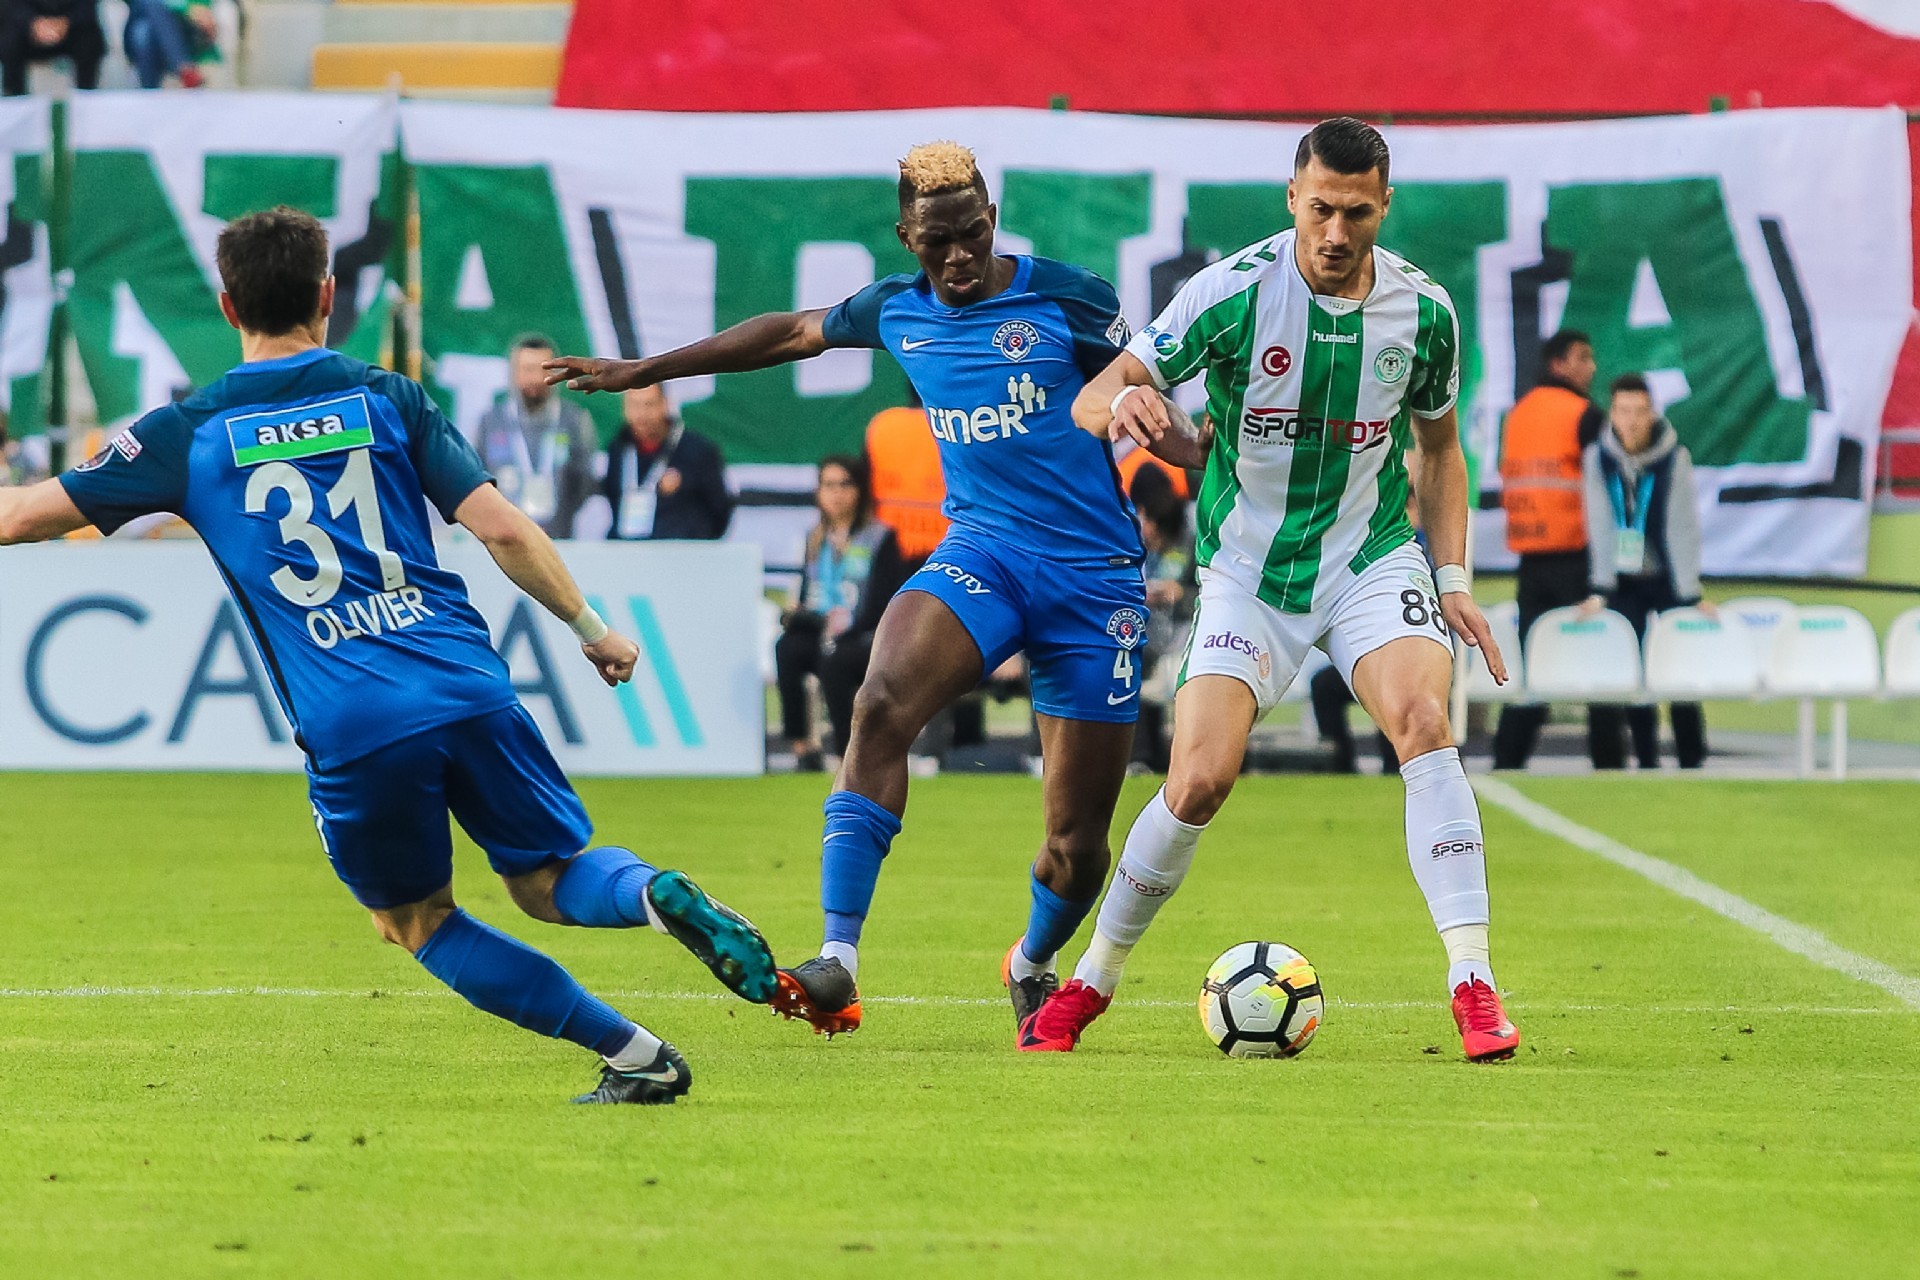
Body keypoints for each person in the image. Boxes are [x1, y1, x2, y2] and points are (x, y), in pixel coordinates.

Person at [0, 207, 778, 1105]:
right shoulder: (389, 398)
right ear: (329, 296)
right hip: (468, 681)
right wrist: (592, 628)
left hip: (356, 716)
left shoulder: (189, 432)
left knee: (414, 920)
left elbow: (19, 518)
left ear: (227, 305)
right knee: (550, 878)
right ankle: (649, 893)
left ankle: (636, 1055)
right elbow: (503, 530)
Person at [547, 140, 1148, 1045]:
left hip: (1093, 578)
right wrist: (647, 369)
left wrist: (1187, 437)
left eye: (973, 233)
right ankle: (838, 959)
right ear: (907, 236)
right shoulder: (896, 309)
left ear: (992, 218)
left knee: (1076, 846)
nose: (958, 256)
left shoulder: (1072, 298)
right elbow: (789, 333)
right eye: (937, 241)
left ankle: (1030, 961)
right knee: (877, 702)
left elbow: (1161, 373)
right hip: (982, 553)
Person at [1053, 118, 1521, 1063]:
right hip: (1247, 573)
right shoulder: (1231, 294)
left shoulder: (1425, 314)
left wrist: (1452, 576)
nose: (1336, 233)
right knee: (1198, 779)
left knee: (1425, 723)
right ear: (1292, 199)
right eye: (1320, 210)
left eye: (1357, 213)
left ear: (1384, 206)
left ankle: (1473, 984)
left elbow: (1439, 453)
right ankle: (1091, 979)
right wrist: (1126, 401)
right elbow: (1094, 395)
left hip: (1370, 559)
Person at [1581, 373, 1708, 769]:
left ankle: (1692, 761)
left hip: (1666, 579)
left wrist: (1690, 593)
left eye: (1639, 411)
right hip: (1623, 582)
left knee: (1681, 671)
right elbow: (1600, 523)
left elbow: (1682, 525)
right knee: (1629, 669)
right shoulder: (1598, 458)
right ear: (1612, 414)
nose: (1632, 420)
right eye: (1624, 411)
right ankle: (1646, 761)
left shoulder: (1674, 457)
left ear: (1652, 413)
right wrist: (1601, 588)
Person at [1491, 328, 1603, 769]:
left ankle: (1506, 761)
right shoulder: (1584, 414)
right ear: (1558, 364)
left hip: (1530, 557)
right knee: (1599, 665)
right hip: (1576, 555)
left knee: (1530, 667)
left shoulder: (1518, 413)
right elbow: (1603, 489)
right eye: (1583, 358)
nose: (1591, 367)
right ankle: (1610, 763)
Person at [775, 454, 907, 766]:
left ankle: (847, 754)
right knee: (787, 648)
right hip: (820, 627)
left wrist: (844, 629)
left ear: (860, 490)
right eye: (829, 485)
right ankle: (802, 748)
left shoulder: (878, 538)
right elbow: (807, 591)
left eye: (845, 485)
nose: (837, 493)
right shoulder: (814, 539)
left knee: (836, 659)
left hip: (864, 635)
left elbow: (885, 602)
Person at [474, 333, 598, 538]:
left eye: (544, 370)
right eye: (528, 369)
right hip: (505, 540)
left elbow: (583, 482)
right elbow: (479, 480)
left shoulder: (575, 420)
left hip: (560, 540)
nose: (536, 379)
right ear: (514, 373)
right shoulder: (490, 422)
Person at [1126, 460, 1192, 772]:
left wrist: (1180, 594)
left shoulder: (1194, 535)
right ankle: (1143, 758)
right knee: (1132, 667)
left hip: (1186, 636)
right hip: (1151, 637)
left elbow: (1215, 592)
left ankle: (1174, 760)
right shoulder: (1132, 541)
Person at [602, 385, 732, 540]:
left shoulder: (697, 450)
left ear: (665, 404)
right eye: (634, 405)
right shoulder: (618, 448)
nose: (642, 414)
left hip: (681, 550)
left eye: (649, 404)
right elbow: (613, 499)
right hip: (628, 547)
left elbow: (720, 509)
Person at [863, 394, 947, 568]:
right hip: (945, 551)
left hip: (889, 549)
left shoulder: (883, 424)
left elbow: (864, 483)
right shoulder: (952, 425)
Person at [0, 0, 103, 95]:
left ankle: (86, 93)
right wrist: (33, 23)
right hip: (26, 29)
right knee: (9, 39)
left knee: (90, 39)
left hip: (72, 29)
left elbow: (87, 5)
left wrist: (67, 22)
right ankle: (15, 97)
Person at [123, 0, 213, 89]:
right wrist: (185, 6)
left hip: (180, 24)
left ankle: (148, 90)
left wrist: (189, 7)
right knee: (150, 9)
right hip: (142, 16)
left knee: (142, 35)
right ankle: (184, 67)